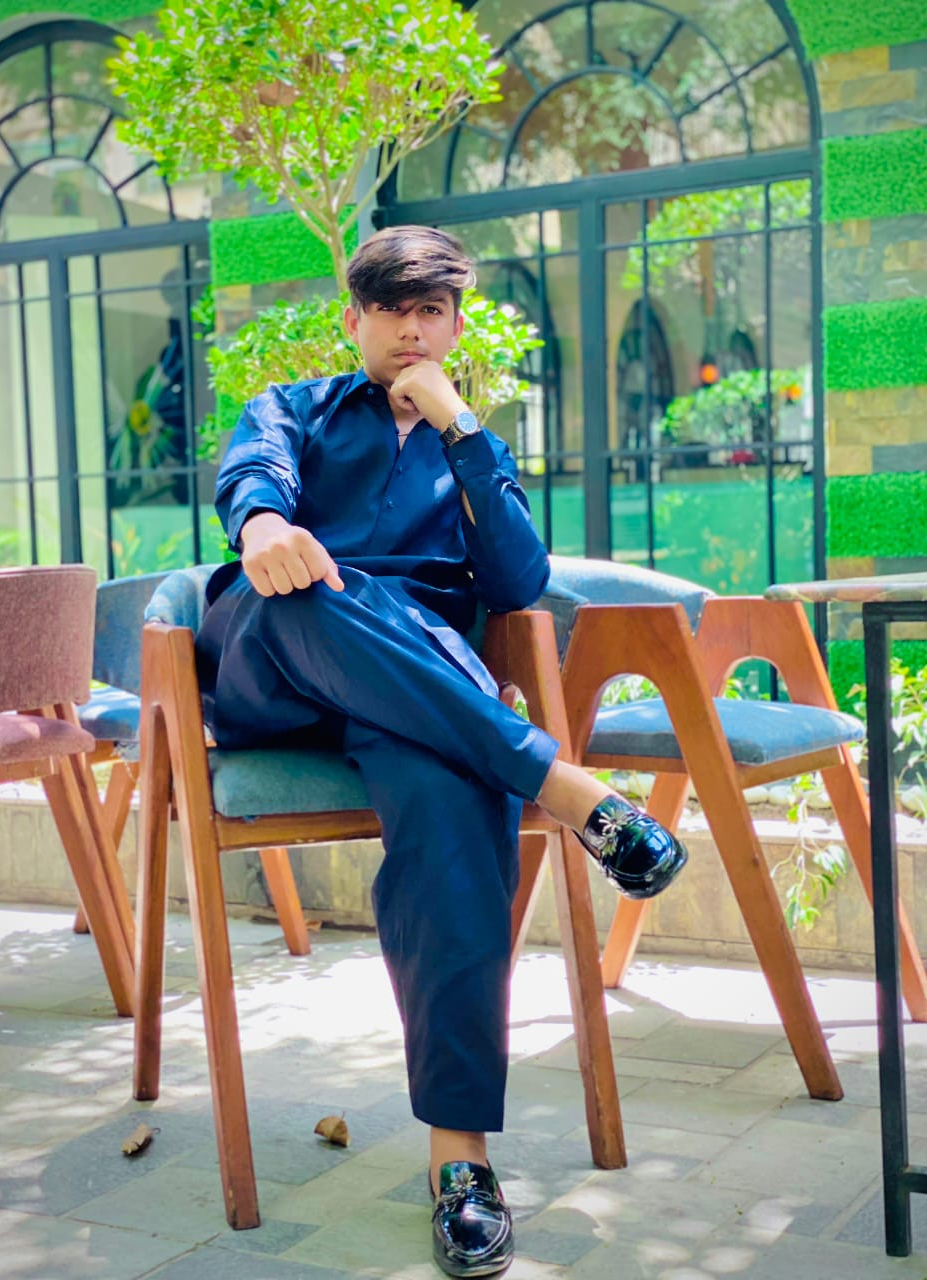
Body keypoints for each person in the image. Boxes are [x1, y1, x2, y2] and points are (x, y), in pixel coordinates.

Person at [195, 225, 687, 1278]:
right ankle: (564, 785)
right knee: (310, 583)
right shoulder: (295, 408)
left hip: (408, 699)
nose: (411, 330)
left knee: (459, 802)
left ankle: (459, 1160)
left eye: (431, 311)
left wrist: (464, 431)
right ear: (355, 319)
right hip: (280, 655)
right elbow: (253, 478)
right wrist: (265, 525)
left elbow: (514, 584)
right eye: (391, 309)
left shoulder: (474, 446)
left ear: (456, 326)